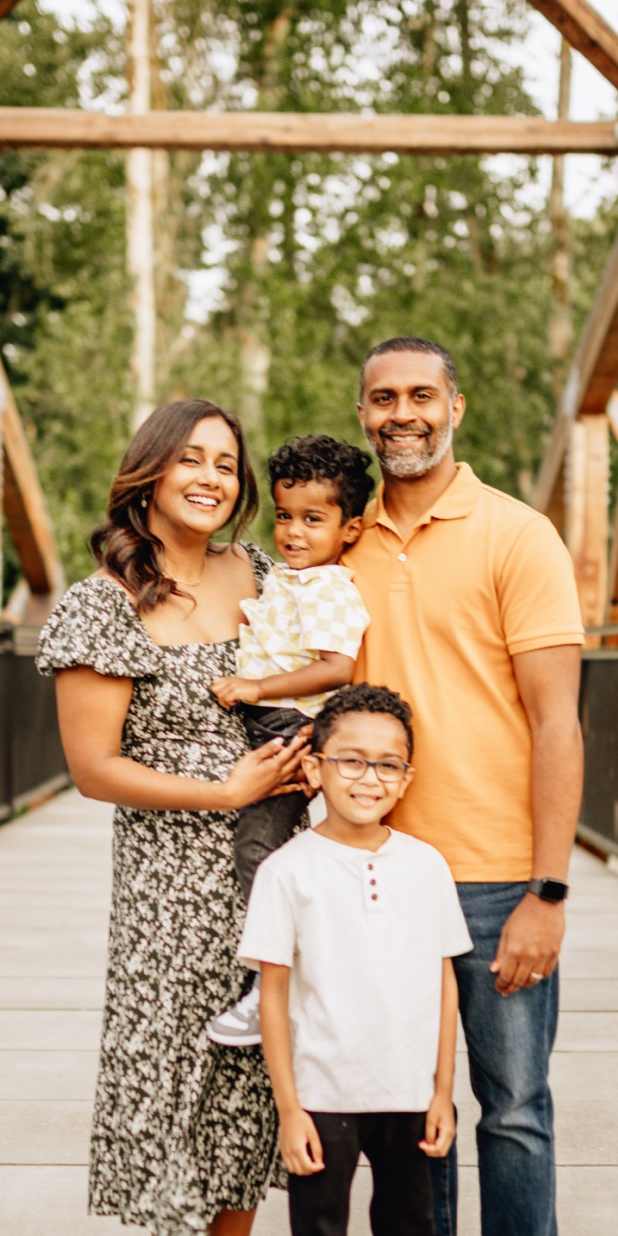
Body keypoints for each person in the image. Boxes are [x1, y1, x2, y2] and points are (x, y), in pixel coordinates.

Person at [36, 398, 309, 1236]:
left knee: (248, 1092)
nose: (211, 474)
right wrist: (222, 790)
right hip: (171, 886)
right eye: (190, 457)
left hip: (273, 869)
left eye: (226, 461)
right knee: (180, 1092)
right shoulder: (104, 602)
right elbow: (93, 768)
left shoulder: (265, 576)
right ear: (147, 474)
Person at [339, 336, 584, 1236]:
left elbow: (557, 721)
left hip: (492, 879)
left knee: (515, 1110)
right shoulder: (335, 544)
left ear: (457, 404)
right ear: (364, 411)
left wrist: (549, 888)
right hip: (378, 874)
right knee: (408, 1112)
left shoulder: (515, 535)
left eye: (421, 394)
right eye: (384, 397)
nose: (403, 412)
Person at [239, 684, 489, 1236]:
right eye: (349, 759)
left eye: (387, 763)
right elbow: (272, 993)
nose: (369, 776)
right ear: (314, 766)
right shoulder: (288, 872)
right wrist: (288, 1107)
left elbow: (446, 982)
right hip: (323, 1093)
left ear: (407, 776)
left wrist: (443, 1090)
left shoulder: (425, 866)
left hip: (408, 1091)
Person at [207, 434, 374, 1047]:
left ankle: (273, 983)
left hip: (288, 725)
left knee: (258, 850)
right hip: (276, 722)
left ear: (350, 528)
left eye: (313, 519)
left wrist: (255, 687)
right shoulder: (293, 578)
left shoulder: (328, 586)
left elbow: (336, 667)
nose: (294, 532)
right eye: (284, 516)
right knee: (272, 847)